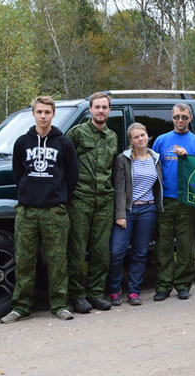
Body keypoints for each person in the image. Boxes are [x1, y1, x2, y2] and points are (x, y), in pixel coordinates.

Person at [1, 96, 78, 323]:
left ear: (53, 114)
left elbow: (72, 177)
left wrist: (59, 197)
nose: (43, 116)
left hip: (55, 211)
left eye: (47, 112)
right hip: (27, 211)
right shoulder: (22, 143)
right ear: (33, 114)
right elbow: (18, 174)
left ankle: (60, 305)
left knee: (57, 261)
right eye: (39, 112)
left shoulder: (64, 143)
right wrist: (29, 192)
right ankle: (20, 307)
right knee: (24, 261)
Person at [65, 92, 118, 313]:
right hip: (80, 199)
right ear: (90, 109)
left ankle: (96, 293)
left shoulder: (112, 137)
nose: (100, 111)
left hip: (105, 201)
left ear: (109, 110)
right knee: (77, 250)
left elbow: (114, 170)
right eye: (97, 107)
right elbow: (64, 164)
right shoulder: (76, 133)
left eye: (104, 107)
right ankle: (77, 295)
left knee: (101, 252)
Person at [152, 103, 195, 301]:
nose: (180, 121)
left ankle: (183, 284)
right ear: (172, 118)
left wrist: (187, 157)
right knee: (163, 245)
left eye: (184, 117)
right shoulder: (161, 140)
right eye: (176, 117)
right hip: (165, 200)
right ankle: (163, 285)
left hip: (187, 200)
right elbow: (152, 167)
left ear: (190, 118)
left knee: (185, 244)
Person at [107, 123, 163, 306]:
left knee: (140, 252)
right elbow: (119, 188)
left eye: (143, 135)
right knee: (117, 252)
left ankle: (134, 291)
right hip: (128, 211)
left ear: (147, 136)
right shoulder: (123, 159)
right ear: (131, 140)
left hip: (148, 210)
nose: (141, 139)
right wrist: (120, 214)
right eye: (137, 136)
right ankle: (115, 290)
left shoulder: (155, 158)